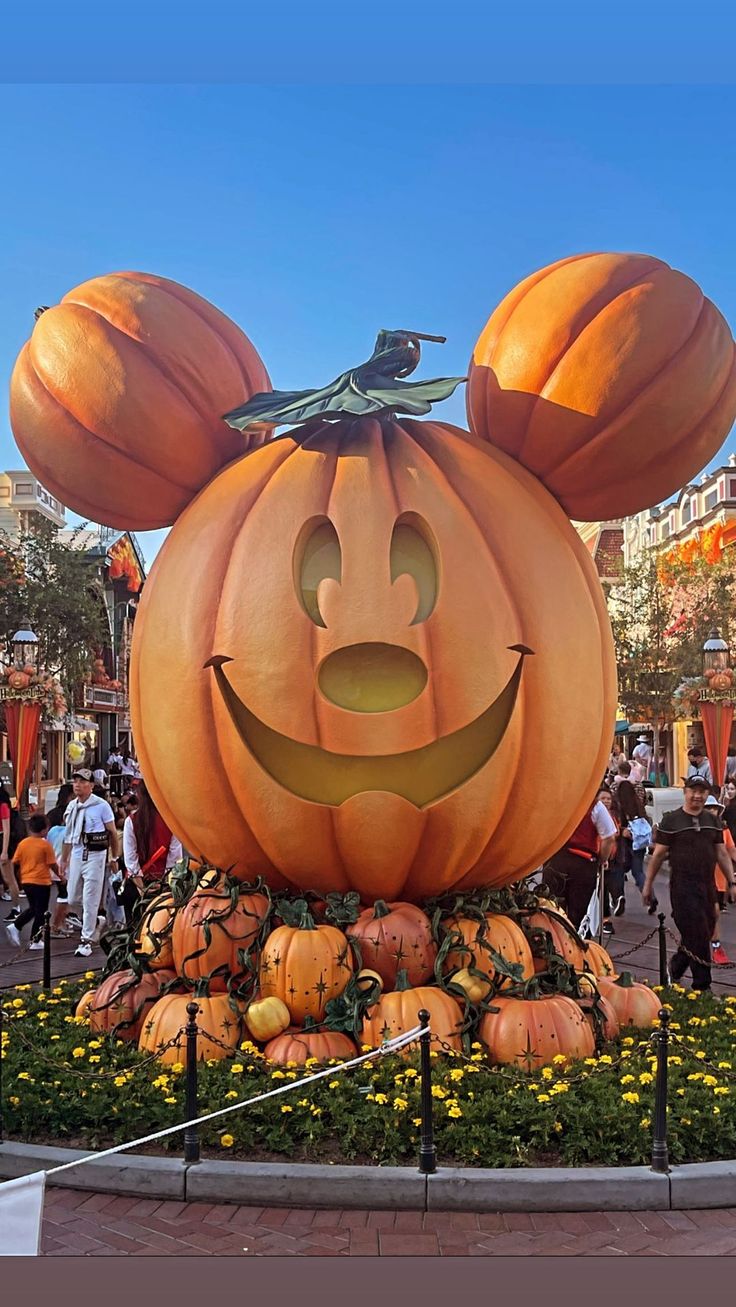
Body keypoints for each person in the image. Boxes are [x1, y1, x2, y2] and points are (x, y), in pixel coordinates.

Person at [643, 775, 736, 991]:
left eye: (702, 791)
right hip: (682, 886)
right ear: (685, 792)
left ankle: (675, 968)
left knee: (706, 928)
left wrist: (731, 882)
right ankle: (702, 986)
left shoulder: (713, 820)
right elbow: (657, 856)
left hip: (708, 886)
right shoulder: (672, 820)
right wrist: (647, 885)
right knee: (697, 932)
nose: (697, 795)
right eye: (693, 791)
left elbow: (721, 853)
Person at [59, 768, 119, 957]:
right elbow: (68, 835)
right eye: (75, 781)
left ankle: (86, 940)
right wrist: (64, 859)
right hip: (77, 854)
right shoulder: (72, 807)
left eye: (82, 781)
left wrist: (114, 857)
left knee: (90, 898)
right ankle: (95, 922)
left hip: (95, 854)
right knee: (72, 897)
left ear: (91, 785)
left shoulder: (101, 806)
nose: (77, 784)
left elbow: (113, 833)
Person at [543, 793, 617, 930]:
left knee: (551, 909)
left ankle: (553, 942)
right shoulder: (595, 806)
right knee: (577, 913)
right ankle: (572, 939)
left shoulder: (554, 801)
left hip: (555, 859)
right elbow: (609, 838)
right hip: (582, 862)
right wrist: (602, 859)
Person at [120, 778, 182, 924]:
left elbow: (130, 860)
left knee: (135, 928)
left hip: (136, 885)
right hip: (163, 884)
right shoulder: (171, 821)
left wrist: (142, 889)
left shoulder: (132, 821)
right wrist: (163, 884)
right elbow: (175, 860)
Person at [4, 814, 57, 950]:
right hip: (42, 881)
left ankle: (17, 926)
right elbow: (52, 864)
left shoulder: (23, 843)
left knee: (34, 908)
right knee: (41, 911)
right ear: (45, 829)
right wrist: (61, 876)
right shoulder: (45, 845)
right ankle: (35, 939)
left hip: (26, 881)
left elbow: (16, 861)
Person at [703, 794, 734, 965]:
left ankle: (715, 946)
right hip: (699, 879)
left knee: (714, 913)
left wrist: (732, 880)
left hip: (718, 879)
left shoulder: (723, 830)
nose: (711, 811)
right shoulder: (694, 829)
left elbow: (730, 851)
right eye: (708, 808)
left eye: (713, 808)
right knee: (707, 914)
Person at [46, 783, 74, 936]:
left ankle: (62, 922)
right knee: (64, 895)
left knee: (64, 894)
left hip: (54, 865)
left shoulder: (51, 820)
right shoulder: (65, 830)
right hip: (64, 866)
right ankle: (56, 926)